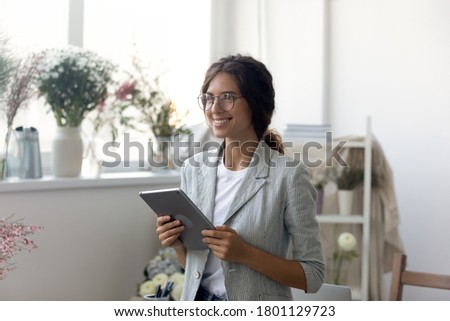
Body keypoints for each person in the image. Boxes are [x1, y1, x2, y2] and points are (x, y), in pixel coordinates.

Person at [156, 54, 324, 301]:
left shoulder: (289, 176)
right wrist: (177, 245)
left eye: (228, 98)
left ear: (256, 103)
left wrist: (244, 253)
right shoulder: (193, 169)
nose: (215, 108)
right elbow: (196, 269)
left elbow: (313, 275)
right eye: (209, 99)